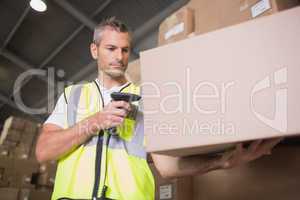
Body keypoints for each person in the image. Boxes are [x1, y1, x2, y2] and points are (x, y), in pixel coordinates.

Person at [35, 17, 282, 200]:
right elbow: (44, 151)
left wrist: (221, 162)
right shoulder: (73, 95)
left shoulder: (149, 98)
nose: (119, 57)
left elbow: (167, 167)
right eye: (111, 49)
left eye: (125, 50)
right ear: (94, 50)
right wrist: (95, 121)